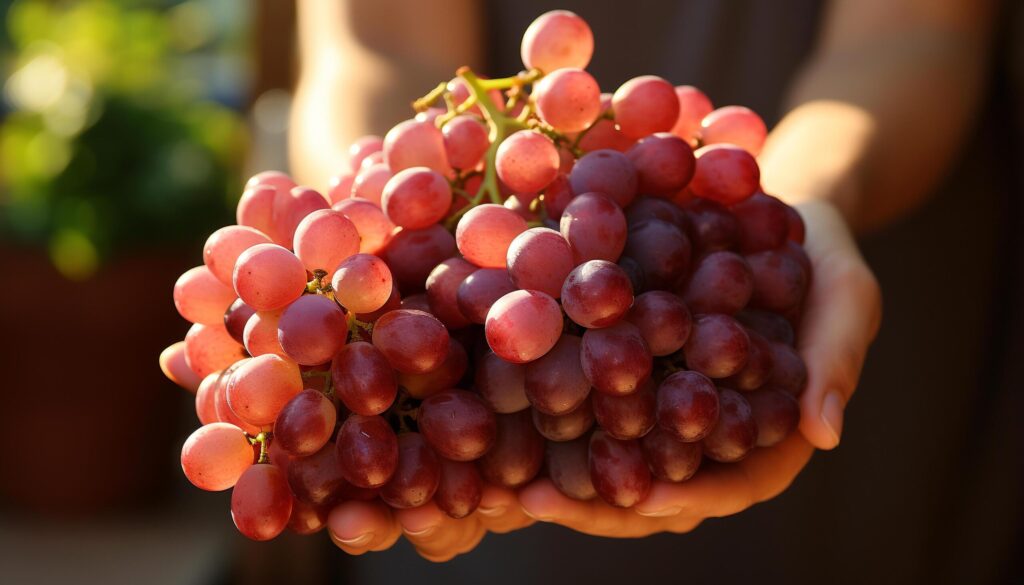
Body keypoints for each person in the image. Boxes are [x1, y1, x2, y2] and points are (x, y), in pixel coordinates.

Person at [287, 0, 1019, 577]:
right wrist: (374, 257)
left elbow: (913, 31)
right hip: (478, 374)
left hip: (858, 317)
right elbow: (376, 47)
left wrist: (804, 199)